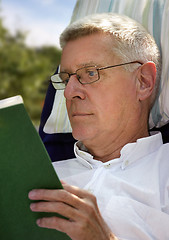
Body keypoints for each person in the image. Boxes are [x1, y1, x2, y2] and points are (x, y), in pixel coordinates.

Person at [28, 13, 169, 240]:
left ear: (143, 81)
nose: (70, 92)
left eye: (90, 73)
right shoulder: (38, 178)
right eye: (66, 79)